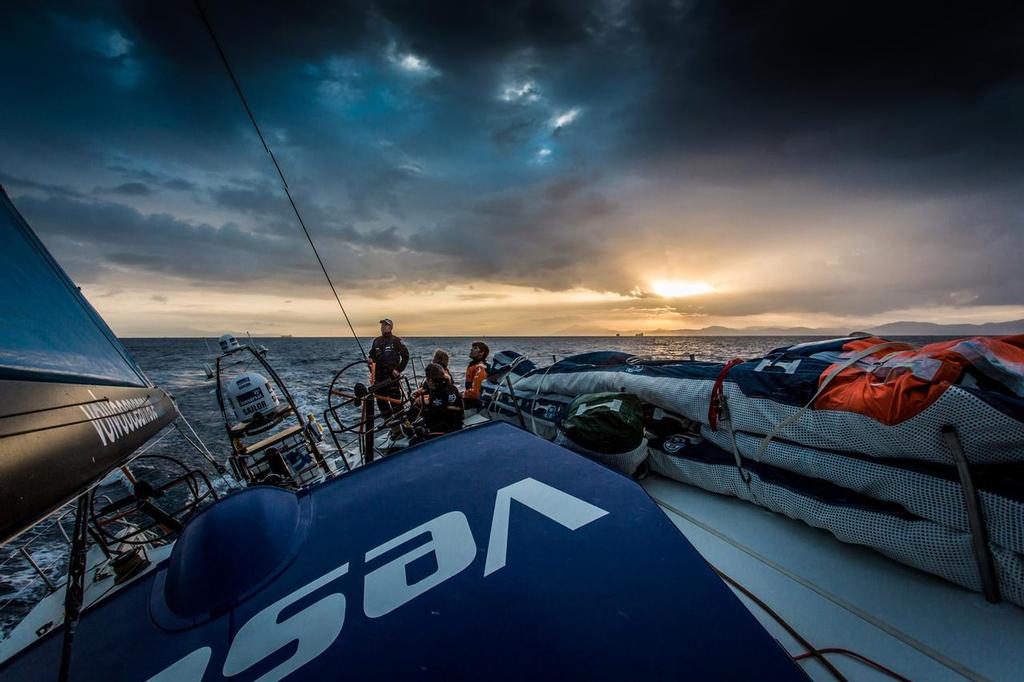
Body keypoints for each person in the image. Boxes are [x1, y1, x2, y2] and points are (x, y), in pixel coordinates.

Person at [368, 318, 409, 426]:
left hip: (391, 377)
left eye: (385, 325)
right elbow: (372, 357)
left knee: (396, 403)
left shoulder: (396, 340)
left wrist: (398, 370)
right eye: (382, 325)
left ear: (390, 327)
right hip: (379, 378)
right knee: (382, 403)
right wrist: (370, 361)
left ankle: (406, 427)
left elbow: (406, 356)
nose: (383, 326)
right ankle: (393, 428)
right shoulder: (376, 341)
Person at [411, 362, 463, 442]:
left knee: (415, 440)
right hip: (448, 425)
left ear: (431, 379)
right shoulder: (444, 388)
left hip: (445, 431)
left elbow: (445, 414)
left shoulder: (444, 392)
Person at [462, 341, 489, 409]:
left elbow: (476, 392)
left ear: (481, 352)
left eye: (475, 348)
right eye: (472, 348)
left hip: (472, 402)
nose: (471, 349)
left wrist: (463, 394)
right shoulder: (474, 365)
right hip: (470, 399)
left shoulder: (480, 368)